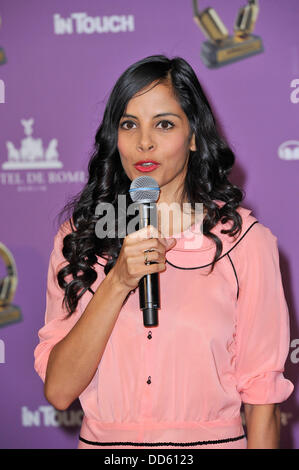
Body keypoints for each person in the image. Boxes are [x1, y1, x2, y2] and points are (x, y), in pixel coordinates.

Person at [34, 55, 294, 449]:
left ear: (193, 137)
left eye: (165, 124)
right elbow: (59, 391)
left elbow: (262, 404)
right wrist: (118, 280)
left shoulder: (244, 243)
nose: (144, 142)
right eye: (129, 124)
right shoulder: (82, 238)